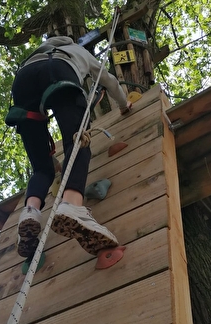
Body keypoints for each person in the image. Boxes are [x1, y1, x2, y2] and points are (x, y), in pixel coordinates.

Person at [8, 35, 132, 258]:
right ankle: (72, 205)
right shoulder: (78, 51)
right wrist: (124, 105)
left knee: (41, 167)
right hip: (58, 70)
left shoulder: (34, 54)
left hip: (22, 82)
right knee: (77, 141)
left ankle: (31, 211)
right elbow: (110, 81)